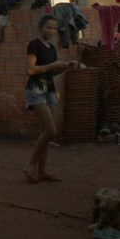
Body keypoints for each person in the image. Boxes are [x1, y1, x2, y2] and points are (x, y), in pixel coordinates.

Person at [23, 14, 77, 184]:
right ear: (41, 28)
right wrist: (53, 65)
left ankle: (42, 170)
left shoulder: (52, 48)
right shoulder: (34, 45)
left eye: (54, 28)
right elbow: (31, 70)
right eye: (48, 27)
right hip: (36, 89)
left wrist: (65, 67)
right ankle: (31, 164)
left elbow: (52, 72)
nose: (51, 30)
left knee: (45, 132)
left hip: (48, 90)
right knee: (51, 130)